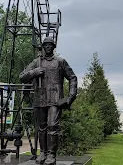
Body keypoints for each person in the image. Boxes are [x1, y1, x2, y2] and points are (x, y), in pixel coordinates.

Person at [19, 37, 77, 165]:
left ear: (53, 47)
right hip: (40, 99)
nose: (48, 47)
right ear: (43, 47)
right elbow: (22, 77)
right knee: (41, 128)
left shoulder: (60, 62)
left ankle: (51, 155)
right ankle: (43, 153)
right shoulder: (36, 62)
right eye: (46, 45)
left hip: (55, 100)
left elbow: (72, 77)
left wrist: (71, 96)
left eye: (50, 45)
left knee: (52, 126)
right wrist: (34, 72)